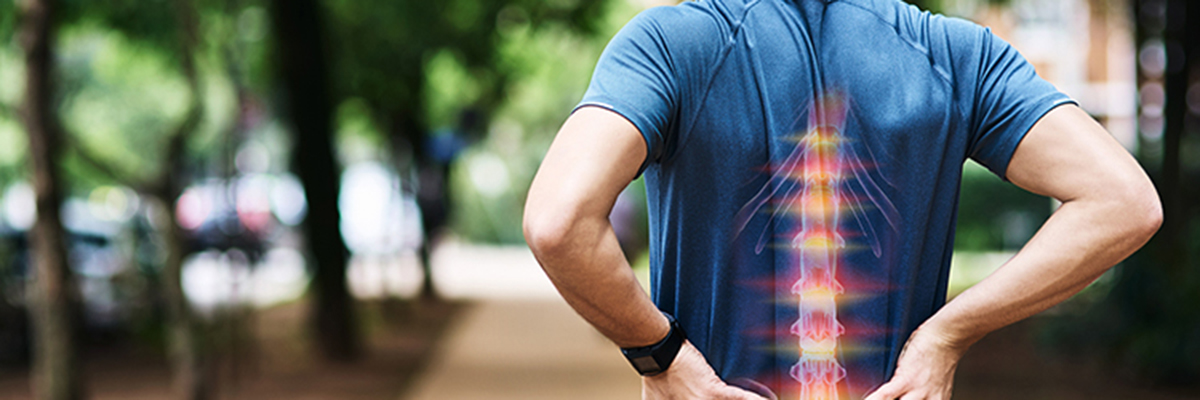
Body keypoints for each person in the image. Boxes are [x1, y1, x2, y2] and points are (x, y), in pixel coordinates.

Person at [522, 0, 1162, 398]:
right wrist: (946, 336)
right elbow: (1123, 200)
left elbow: (559, 221)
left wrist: (661, 356)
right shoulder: (955, 55)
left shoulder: (669, 46)